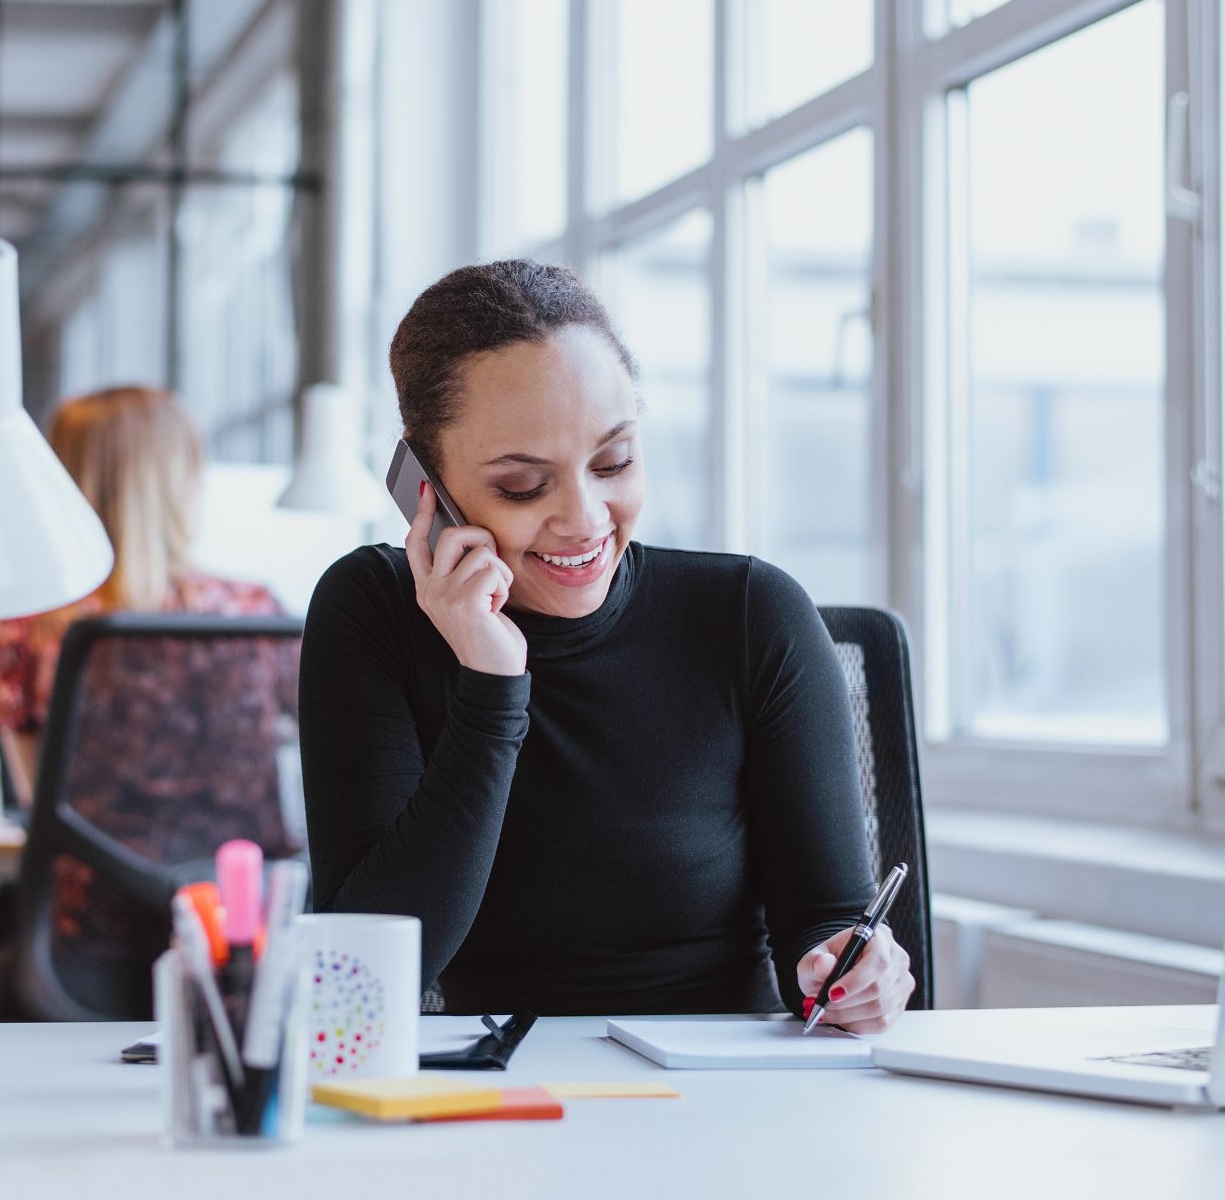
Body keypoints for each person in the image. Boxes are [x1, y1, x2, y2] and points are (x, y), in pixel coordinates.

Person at [298, 261, 915, 1029]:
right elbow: (363, 984)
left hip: (725, 1094)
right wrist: (491, 682)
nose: (584, 518)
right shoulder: (372, 613)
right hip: (497, 1100)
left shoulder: (753, 615)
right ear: (429, 488)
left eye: (613, 462)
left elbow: (824, 930)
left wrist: (855, 973)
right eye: (522, 485)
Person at [0, 386, 281, 807]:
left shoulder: (24, 628)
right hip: (237, 872)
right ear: (185, 479)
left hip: (88, 873)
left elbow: (38, 801)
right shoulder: (256, 614)